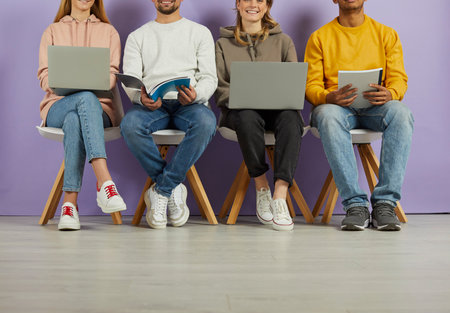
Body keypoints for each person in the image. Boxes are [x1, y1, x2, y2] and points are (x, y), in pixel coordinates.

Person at [305, 0, 414, 231]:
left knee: (401, 113)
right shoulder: (319, 37)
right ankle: (355, 205)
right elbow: (310, 85)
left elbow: (399, 79)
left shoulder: (386, 34)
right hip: (337, 108)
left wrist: (391, 93)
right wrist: (327, 97)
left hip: (376, 107)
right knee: (325, 114)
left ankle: (385, 203)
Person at [120, 0, 218, 229]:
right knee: (130, 125)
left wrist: (196, 95)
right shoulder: (138, 36)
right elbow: (131, 79)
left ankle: (161, 190)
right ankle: (172, 188)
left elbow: (209, 78)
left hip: (189, 104)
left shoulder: (199, 32)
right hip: (154, 104)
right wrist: (139, 98)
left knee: (206, 122)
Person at [37, 0, 126, 231]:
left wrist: (83, 84)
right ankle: (104, 181)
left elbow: (111, 77)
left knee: (77, 117)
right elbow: (45, 78)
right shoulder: (52, 31)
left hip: (101, 109)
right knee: (85, 98)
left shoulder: (109, 32)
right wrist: (66, 84)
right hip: (58, 105)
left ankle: (69, 205)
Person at [215, 0, 303, 231]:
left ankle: (280, 196)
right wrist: (239, 98)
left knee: (291, 119)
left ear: (267, 6)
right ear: (238, 4)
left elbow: (293, 84)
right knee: (247, 116)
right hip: (239, 113)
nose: (253, 4)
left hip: (278, 110)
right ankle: (261, 187)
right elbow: (220, 87)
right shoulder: (223, 44)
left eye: (260, 0)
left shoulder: (284, 41)